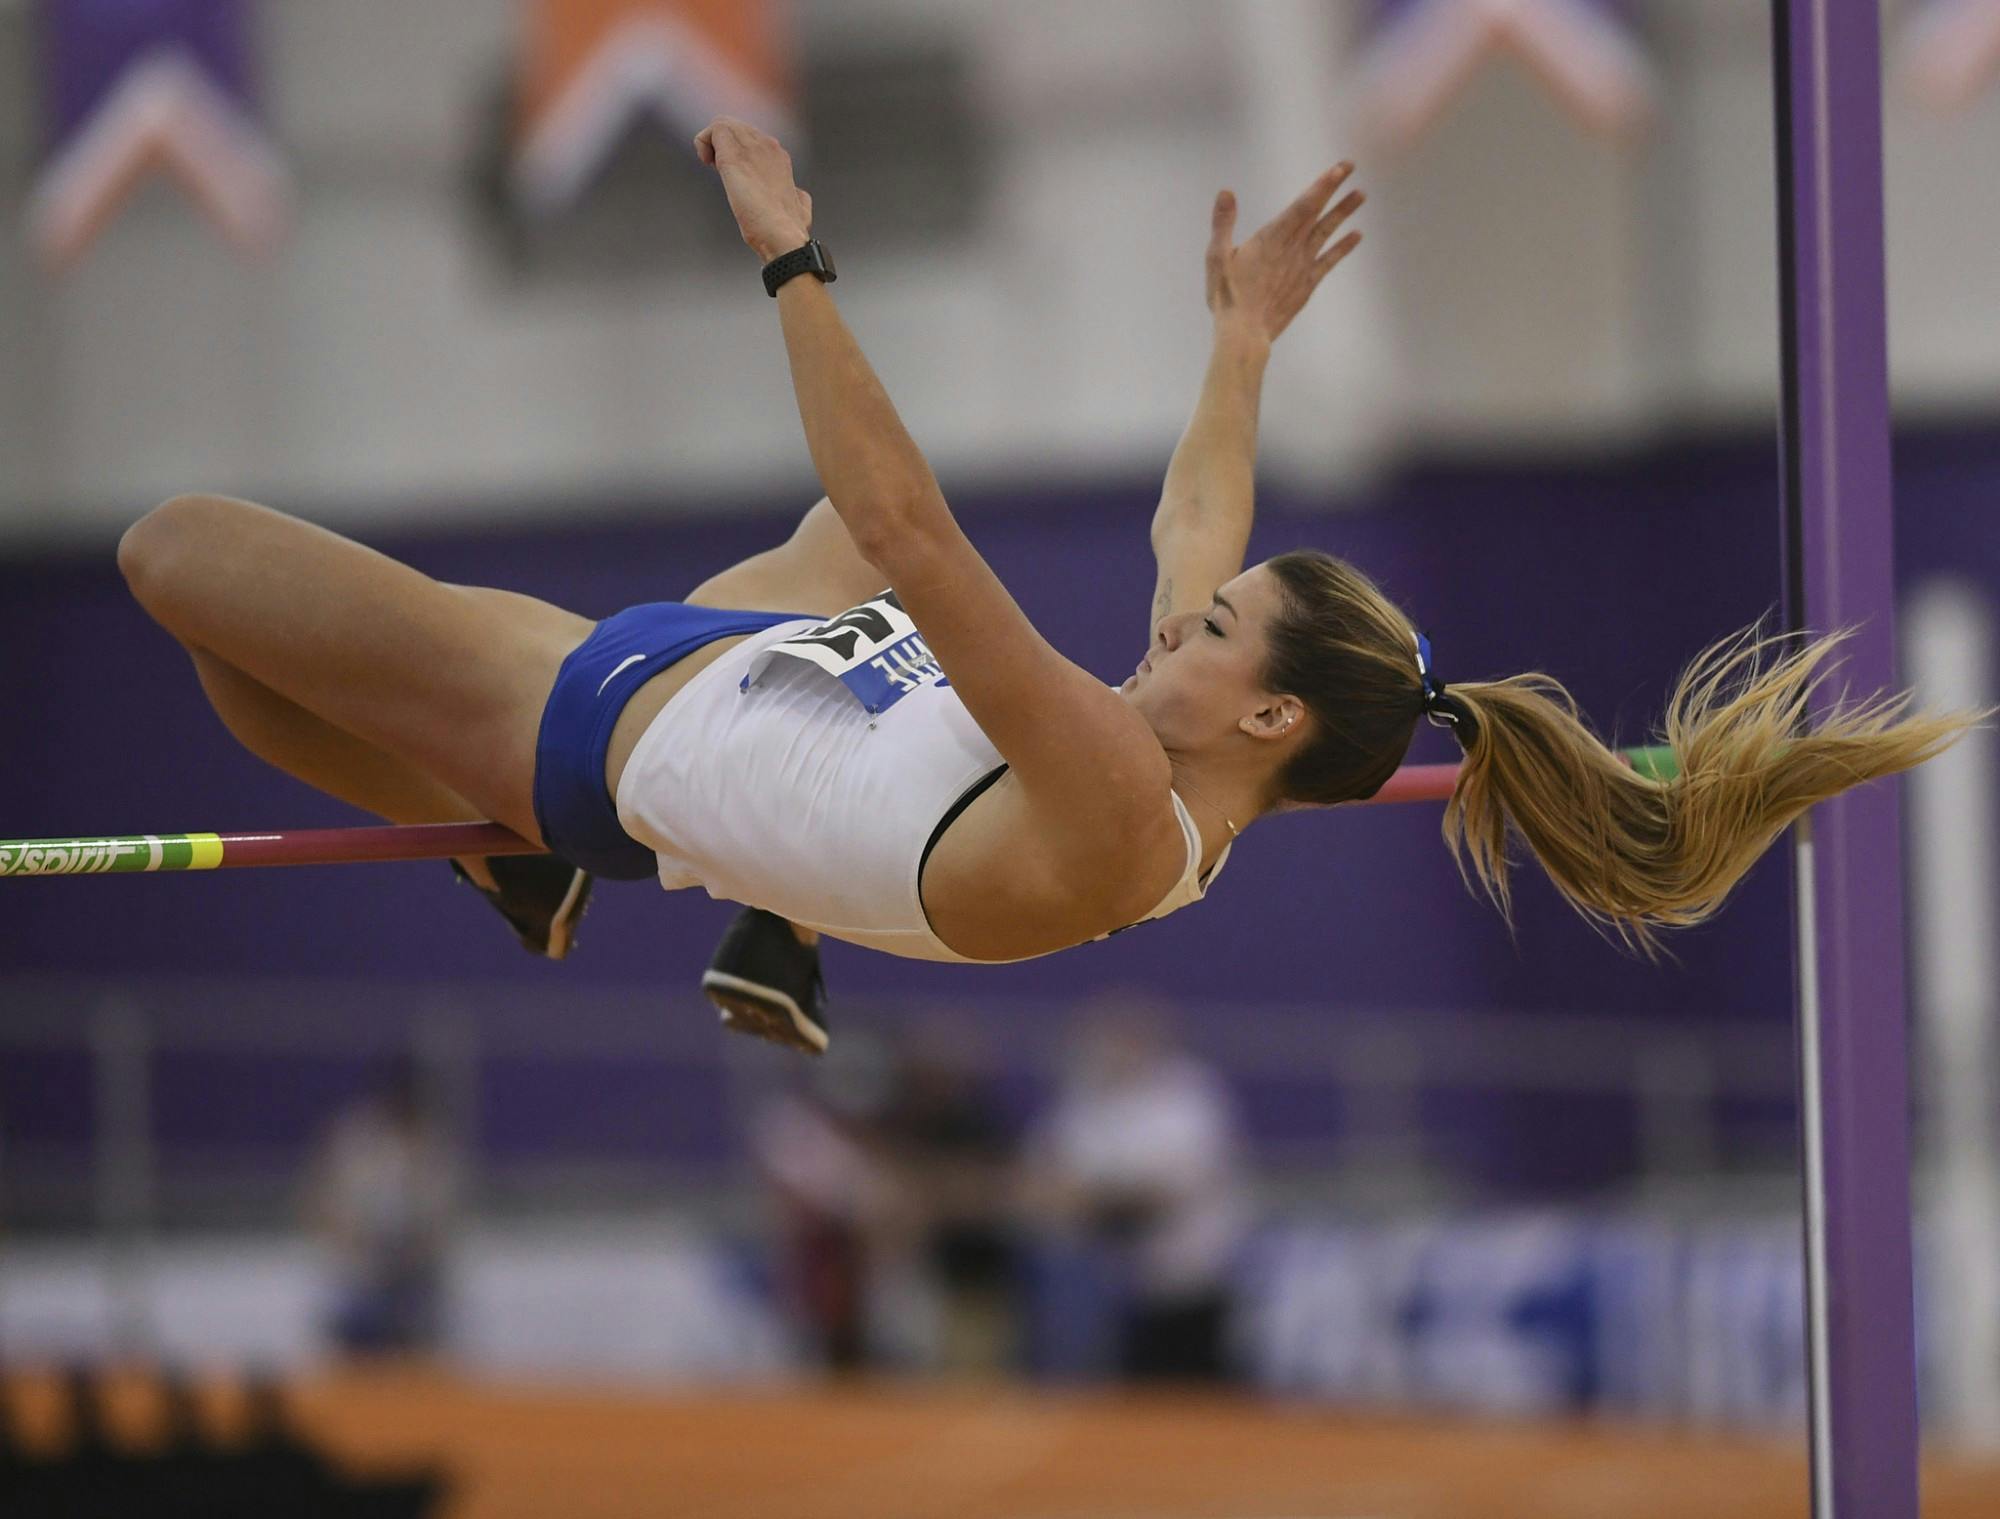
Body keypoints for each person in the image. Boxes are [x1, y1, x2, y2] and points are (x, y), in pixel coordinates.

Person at [118, 117, 1973, 1057]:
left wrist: (789, 251)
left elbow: (922, 530)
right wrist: (1240, 339)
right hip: (767, 658)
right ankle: (515, 854)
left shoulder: (1104, 804)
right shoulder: (1185, 782)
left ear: (1261, 712)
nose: (1193, 608)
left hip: (607, 727)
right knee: (255, 668)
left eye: (1226, 626)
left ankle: (530, 839)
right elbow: (1191, 521)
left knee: (175, 559)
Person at [1024, 1001, 1248, 1383]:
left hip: (1191, 1281)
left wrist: (1091, 1199)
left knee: (1196, 1401)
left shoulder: (1187, 1096)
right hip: (1118, 1285)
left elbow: (1164, 1196)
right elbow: (1038, 1184)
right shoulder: (1087, 1099)